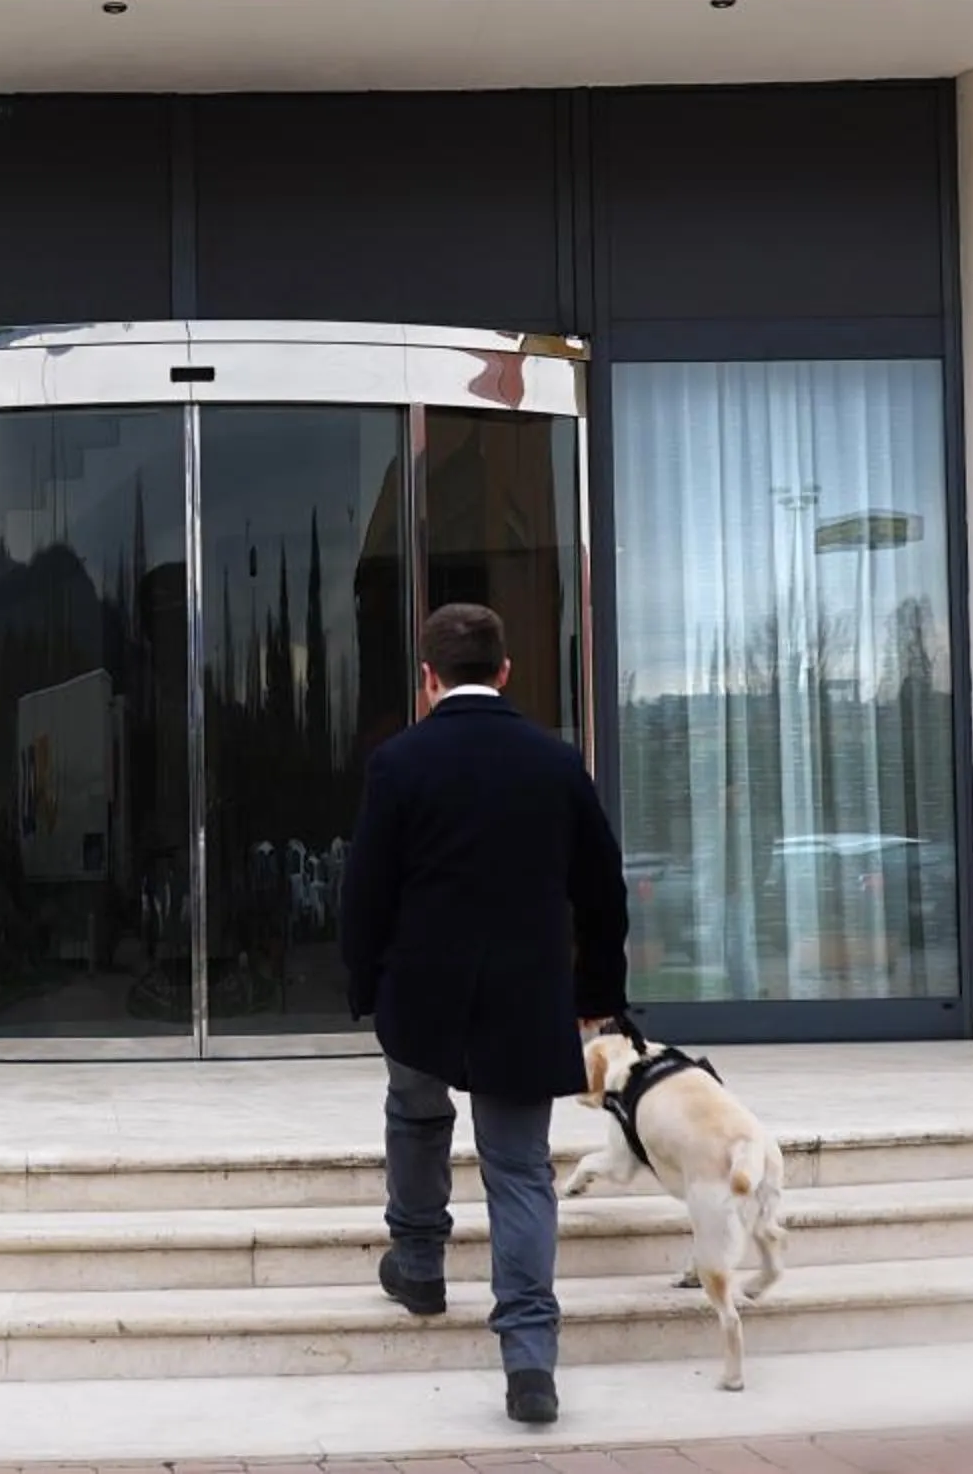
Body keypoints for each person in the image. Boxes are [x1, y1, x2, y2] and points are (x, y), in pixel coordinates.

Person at [340, 602, 632, 1426]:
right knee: (518, 1166)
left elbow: (366, 891)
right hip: (524, 997)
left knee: (416, 1113)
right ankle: (530, 1359)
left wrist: (364, 984)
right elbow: (601, 890)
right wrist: (598, 996)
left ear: (427, 680)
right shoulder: (554, 760)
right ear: (505, 672)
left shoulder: (398, 763)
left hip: (420, 993)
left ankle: (422, 1262)